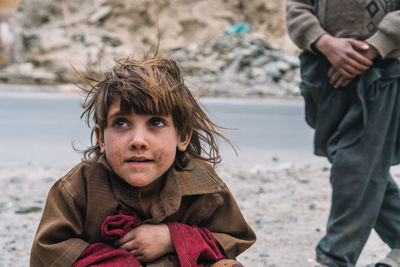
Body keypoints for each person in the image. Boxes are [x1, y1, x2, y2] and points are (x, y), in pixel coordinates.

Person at [30, 56, 256, 267]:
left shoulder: (203, 187)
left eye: (156, 122)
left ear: (183, 136)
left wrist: (172, 237)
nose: (138, 141)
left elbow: (233, 238)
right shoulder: (79, 186)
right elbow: (47, 251)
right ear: (101, 138)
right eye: (121, 123)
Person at [286, 0, 400, 266]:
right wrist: (325, 42)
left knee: (355, 165)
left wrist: (373, 47)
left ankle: (335, 256)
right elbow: (297, 8)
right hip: (323, 71)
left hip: (381, 71)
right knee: (357, 163)